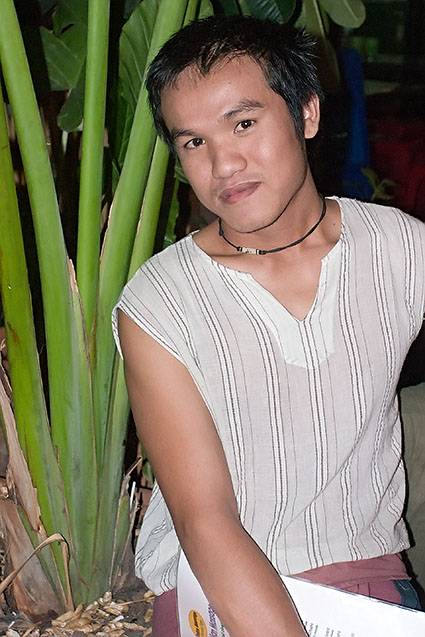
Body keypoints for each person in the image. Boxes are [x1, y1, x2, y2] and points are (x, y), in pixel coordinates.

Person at [113, 15, 425, 636]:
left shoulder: (398, 249)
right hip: (214, 589)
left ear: (306, 115)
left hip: (361, 577)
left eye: (244, 123)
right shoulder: (159, 304)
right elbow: (206, 522)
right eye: (193, 142)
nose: (224, 164)